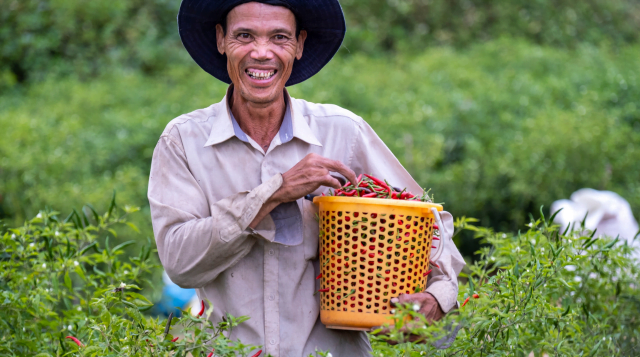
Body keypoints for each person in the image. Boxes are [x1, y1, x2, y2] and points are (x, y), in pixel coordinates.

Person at [148, 1, 465, 355]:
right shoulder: (183, 140)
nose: (262, 52)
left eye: (279, 37)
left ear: (299, 44)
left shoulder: (343, 132)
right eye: (244, 36)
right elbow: (180, 263)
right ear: (221, 39)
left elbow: (430, 223)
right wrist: (274, 193)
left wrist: (437, 297)